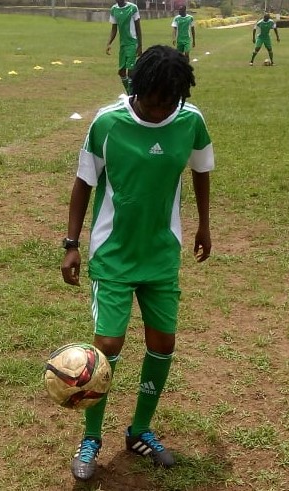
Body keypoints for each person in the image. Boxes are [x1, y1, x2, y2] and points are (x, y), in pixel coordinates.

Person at [61, 44, 214, 482]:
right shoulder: (108, 122)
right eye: (151, 100)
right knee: (107, 348)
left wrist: (204, 224)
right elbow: (83, 182)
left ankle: (140, 430)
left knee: (163, 343)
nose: (158, 109)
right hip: (113, 256)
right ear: (137, 88)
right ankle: (91, 438)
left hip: (161, 255)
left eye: (168, 102)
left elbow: (202, 169)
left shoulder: (190, 121)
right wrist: (71, 244)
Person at [106, 0, 143, 95]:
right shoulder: (114, 9)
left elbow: (138, 27)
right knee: (121, 72)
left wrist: (140, 45)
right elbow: (114, 29)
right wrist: (109, 43)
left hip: (132, 43)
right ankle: (130, 93)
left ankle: (132, 95)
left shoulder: (133, 8)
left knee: (131, 71)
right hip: (122, 44)